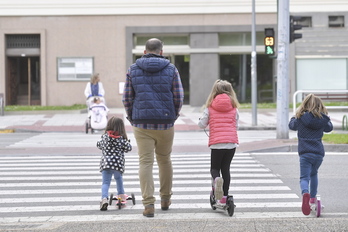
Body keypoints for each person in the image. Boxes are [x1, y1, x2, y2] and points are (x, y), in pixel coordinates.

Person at [122, 38, 184, 217]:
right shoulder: (171, 69)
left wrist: (132, 117)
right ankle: (165, 198)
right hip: (165, 122)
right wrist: (173, 115)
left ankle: (149, 204)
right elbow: (179, 97)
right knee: (164, 159)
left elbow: (127, 98)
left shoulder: (133, 69)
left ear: (144, 52)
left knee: (145, 162)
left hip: (142, 123)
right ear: (161, 52)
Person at [288, 93, 333, 216]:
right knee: (314, 174)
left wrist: (294, 116)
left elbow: (291, 126)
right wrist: (325, 117)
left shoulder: (300, 118)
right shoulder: (323, 119)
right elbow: (329, 128)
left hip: (305, 153)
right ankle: (313, 198)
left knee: (304, 177)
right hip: (318, 153)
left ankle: (305, 193)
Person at [198, 79, 240, 205]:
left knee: (215, 168)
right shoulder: (234, 108)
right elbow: (236, 125)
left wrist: (201, 120)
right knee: (226, 169)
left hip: (217, 143)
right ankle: (224, 198)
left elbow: (202, 124)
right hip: (231, 143)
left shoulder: (210, 108)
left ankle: (216, 180)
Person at [97, 116, 132, 211]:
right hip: (117, 164)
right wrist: (127, 142)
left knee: (105, 183)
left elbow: (98, 145)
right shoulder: (121, 139)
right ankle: (121, 196)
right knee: (118, 179)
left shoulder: (104, 137)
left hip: (106, 164)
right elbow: (128, 148)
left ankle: (104, 199)